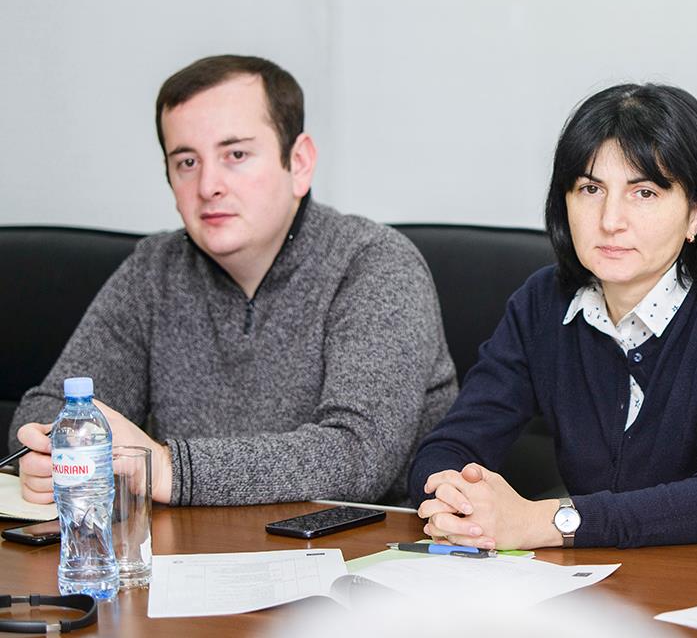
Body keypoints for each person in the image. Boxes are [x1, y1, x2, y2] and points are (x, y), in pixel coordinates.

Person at [9, 54, 457, 506]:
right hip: (191, 543)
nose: (208, 186)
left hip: (357, 545)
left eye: (236, 155)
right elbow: (49, 408)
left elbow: (357, 456)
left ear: (299, 163)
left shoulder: (376, 264)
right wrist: (50, 451)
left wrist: (169, 468)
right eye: (187, 162)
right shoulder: (154, 270)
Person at [408, 83, 697, 549]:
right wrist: (455, 500)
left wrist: (546, 520)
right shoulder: (543, 302)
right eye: (590, 189)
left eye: (644, 192)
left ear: (696, 210)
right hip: (606, 573)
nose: (610, 220)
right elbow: (450, 446)